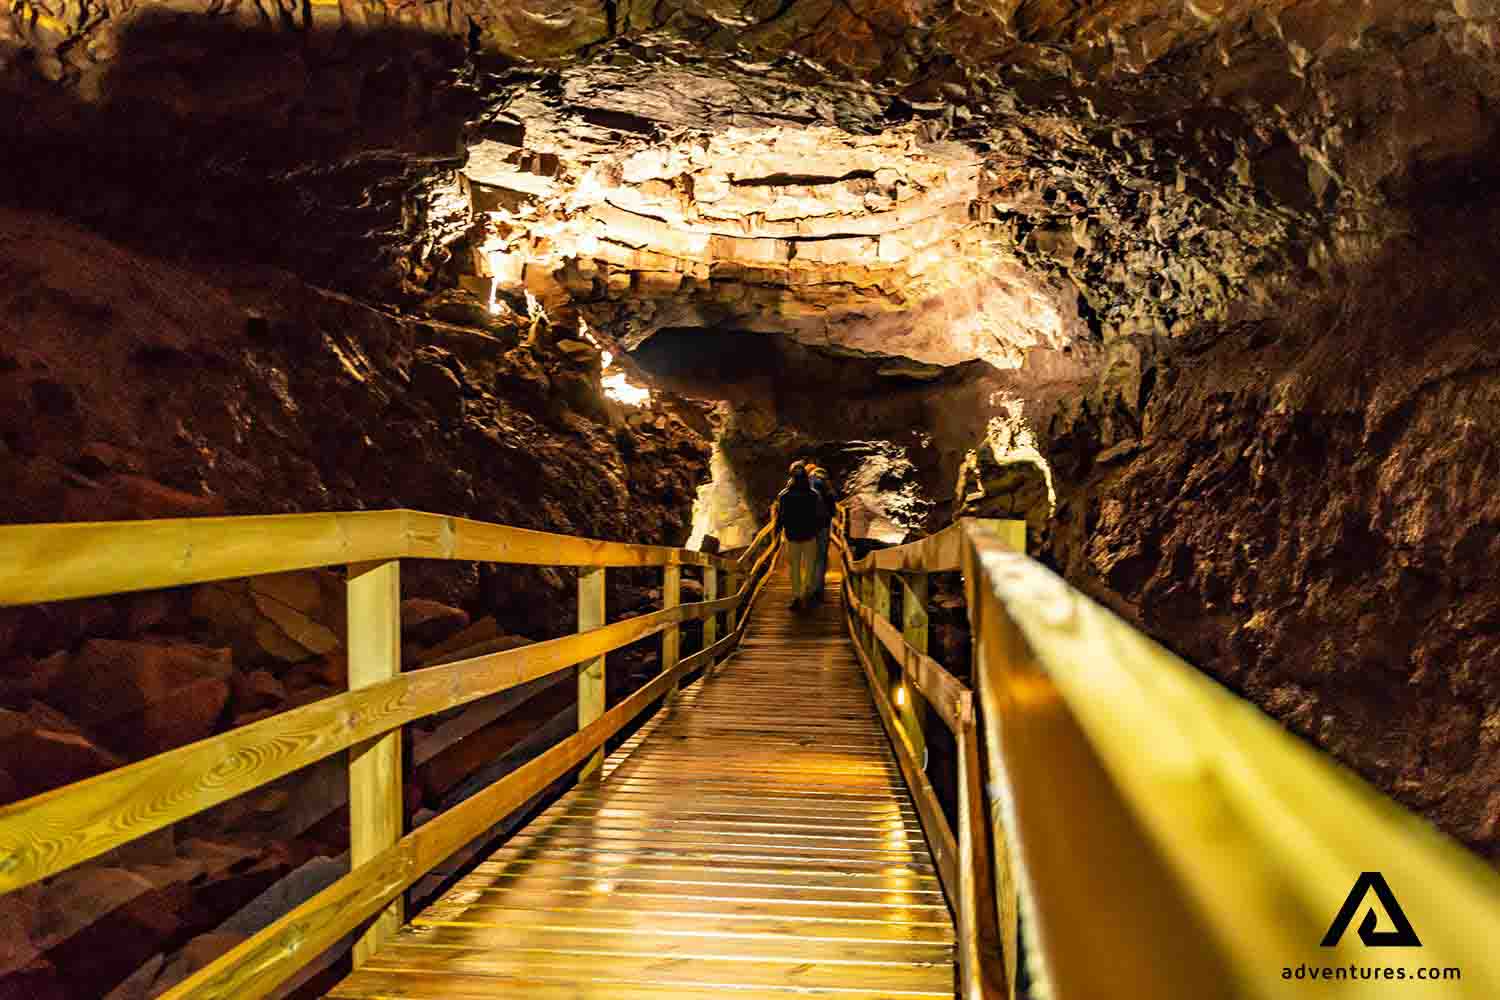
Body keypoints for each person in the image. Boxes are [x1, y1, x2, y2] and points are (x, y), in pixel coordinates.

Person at [774, 462, 827, 610]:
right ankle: (806, 593)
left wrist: (777, 533)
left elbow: (781, 517)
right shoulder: (813, 495)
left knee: (795, 568)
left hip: (792, 536)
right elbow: (820, 516)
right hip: (809, 536)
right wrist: (817, 530)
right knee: (809, 567)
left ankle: (797, 596)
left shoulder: (784, 495)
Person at [808, 465, 838, 602]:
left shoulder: (804, 482)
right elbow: (833, 501)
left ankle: (808, 585)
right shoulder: (824, 483)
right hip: (823, 524)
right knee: (820, 557)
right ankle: (817, 589)